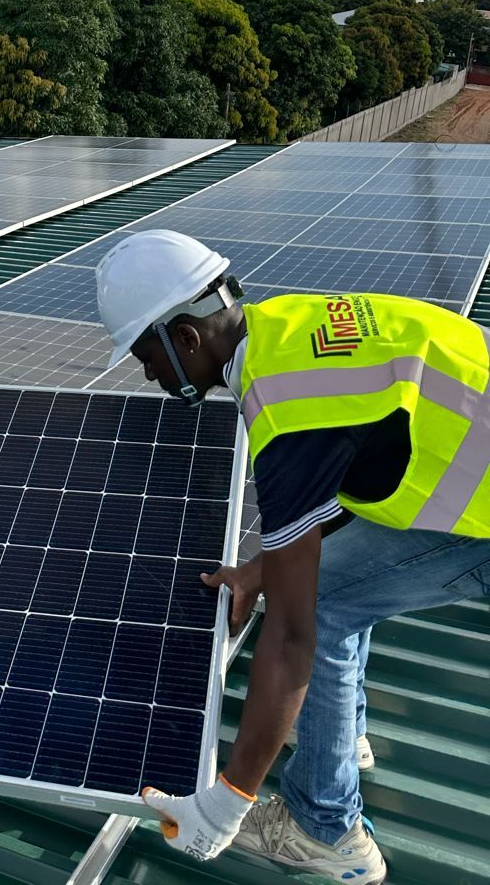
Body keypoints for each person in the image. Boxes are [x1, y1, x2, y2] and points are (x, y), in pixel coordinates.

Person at [93, 228, 490, 883]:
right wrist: (262, 567)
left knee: (321, 604)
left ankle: (323, 827)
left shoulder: (286, 408)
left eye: (147, 355)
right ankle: (339, 738)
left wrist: (225, 805)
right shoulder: (286, 330)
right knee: (316, 586)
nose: (148, 373)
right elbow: (370, 455)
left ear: (186, 339)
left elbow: (292, 637)